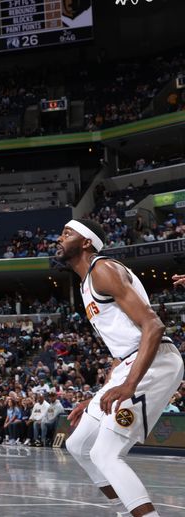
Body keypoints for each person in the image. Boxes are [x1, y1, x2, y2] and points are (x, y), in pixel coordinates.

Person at [59, 219, 184, 517]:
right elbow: (120, 348)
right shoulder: (85, 283)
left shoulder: (103, 270)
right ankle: (124, 510)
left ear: (86, 242)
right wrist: (98, 394)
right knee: (78, 444)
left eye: (67, 233)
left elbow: (153, 326)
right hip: (128, 362)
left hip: (154, 360)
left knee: (105, 453)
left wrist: (128, 386)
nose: (59, 239)